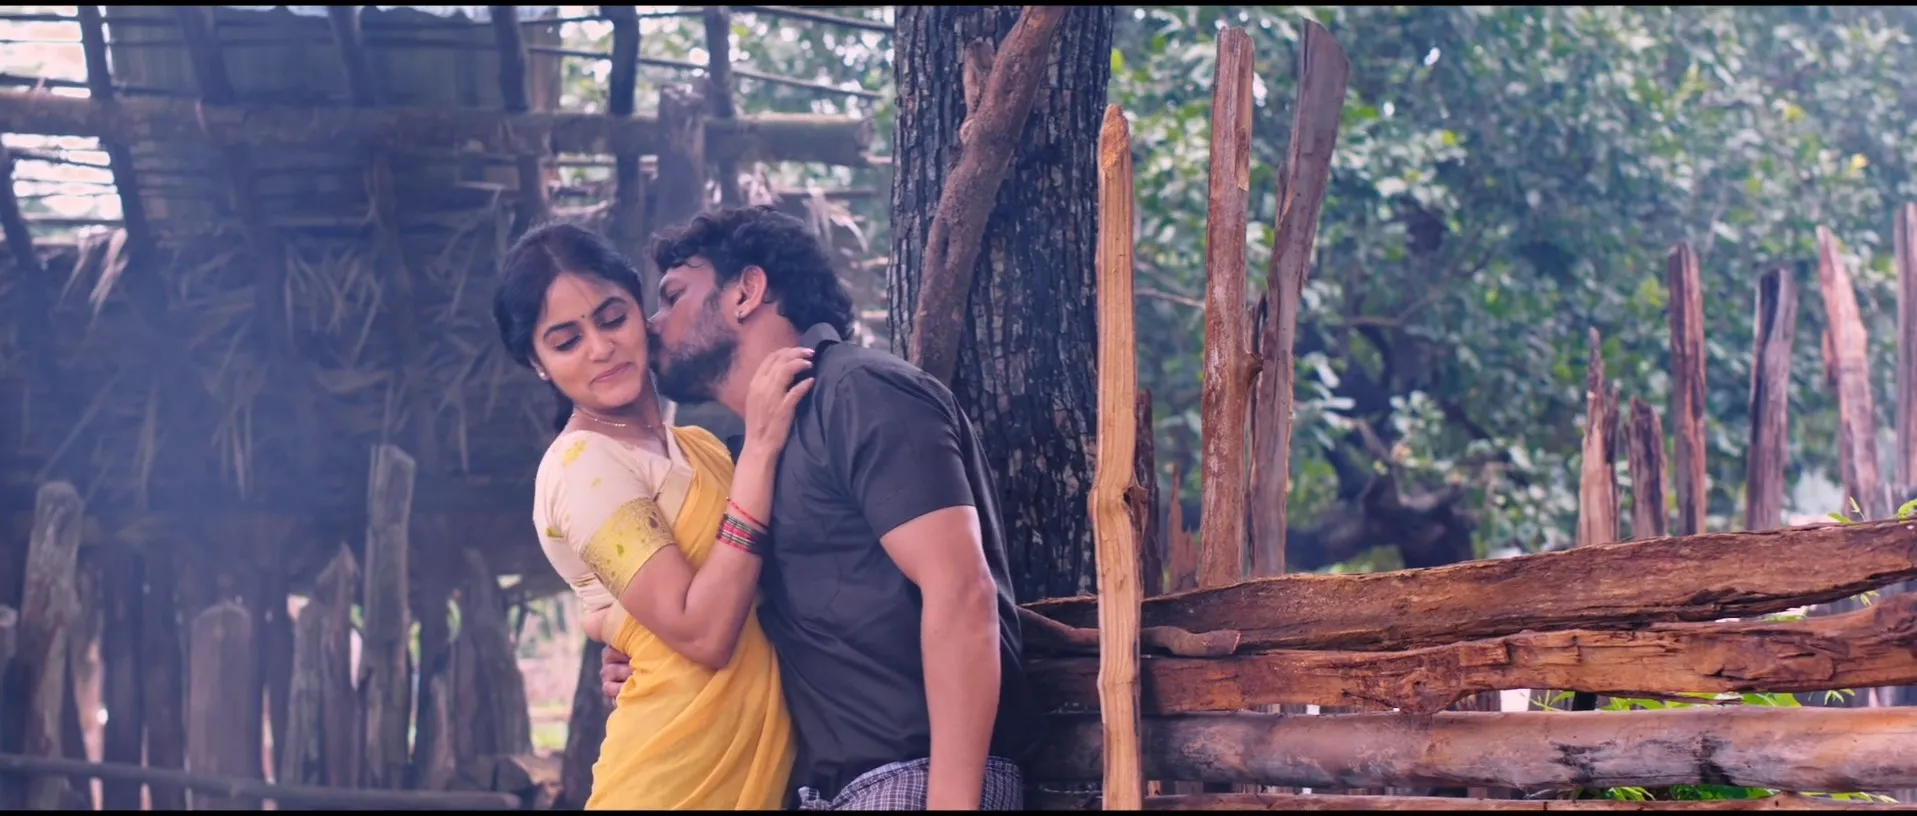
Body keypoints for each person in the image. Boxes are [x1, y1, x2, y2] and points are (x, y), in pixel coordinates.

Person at [602, 205, 1045, 810]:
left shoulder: (860, 392)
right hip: (825, 793)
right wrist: (647, 659)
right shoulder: (747, 459)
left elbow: (962, 590)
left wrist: (950, 800)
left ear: (746, 292)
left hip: (915, 781)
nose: (652, 325)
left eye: (673, 296)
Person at [491, 221, 816, 810]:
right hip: (668, 784)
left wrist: (628, 639)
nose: (600, 348)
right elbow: (704, 633)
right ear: (537, 363)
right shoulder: (582, 466)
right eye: (565, 341)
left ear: (640, 310)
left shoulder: (701, 448)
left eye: (612, 317)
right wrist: (760, 451)